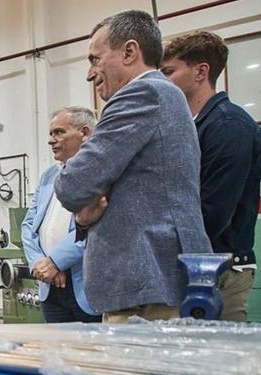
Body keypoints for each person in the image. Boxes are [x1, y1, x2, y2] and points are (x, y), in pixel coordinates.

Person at [54, 10, 211, 323]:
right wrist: (85, 215)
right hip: (148, 287)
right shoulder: (162, 97)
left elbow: (71, 185)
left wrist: (84, 196)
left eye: (95, 59)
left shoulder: (142, 93)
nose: (89, 73)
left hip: (147, 291)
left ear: (129, 52)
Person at [161, 31, 261, 321]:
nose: (161, 81)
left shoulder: (228, 125)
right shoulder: (195, 126)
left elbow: (213, 211)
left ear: (201, 71)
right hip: (201, 266)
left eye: (168, 72)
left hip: (221, 270)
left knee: (217, 358)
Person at [21, 107, 101, 323]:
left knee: (88, 355)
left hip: (84, 286)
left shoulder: (99, 172)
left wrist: (56, 261)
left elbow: (96, 227)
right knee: (56, 354)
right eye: (50, 133)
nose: (50, 140)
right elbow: (28, 225)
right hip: (50, 286)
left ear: (84, 133)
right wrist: (41, 263)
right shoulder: (49, 176)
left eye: (58, 133)